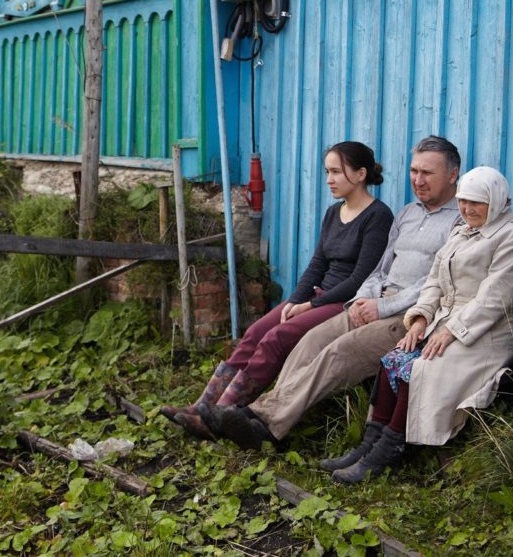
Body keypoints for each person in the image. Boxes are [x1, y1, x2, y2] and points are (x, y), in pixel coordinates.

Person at [207, 136, 462, 450]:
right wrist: (363, 299)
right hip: (373, 302)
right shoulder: (408, 214)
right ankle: (259, 413)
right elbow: (379, 269)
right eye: (414, 171)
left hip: (408, 315)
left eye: (428, 173)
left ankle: (267, 424)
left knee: (337, 352)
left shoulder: (460, 221)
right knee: (309, 343)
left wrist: (381, 307)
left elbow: (434, 283)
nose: (418, 180)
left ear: (452, 175)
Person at [161, 141, 394, 439]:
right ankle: (202, 406)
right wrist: (295, 300)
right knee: (256, 332)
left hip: (345, 302)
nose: (329, 180)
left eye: (336, 172)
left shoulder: (378, 216)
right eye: (327, 172)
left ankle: (223, 413)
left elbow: (362, 277)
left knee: (276, 338)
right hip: (317, 297)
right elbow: (317, 263)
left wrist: (308, 307)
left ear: (360, 174)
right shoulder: (333, 213)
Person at [330, 166, 513, 483]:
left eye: (476, 203)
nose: (467, 209)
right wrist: (420, 319)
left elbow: (494, 299)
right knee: (394, 360)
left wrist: (450, 331)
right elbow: (434, 283)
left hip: (489, 333)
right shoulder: (461, 233)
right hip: (446, 324)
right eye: (463, 201)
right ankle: (370, 444)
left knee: (422, 368)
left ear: (496, 201)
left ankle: (390, 448)